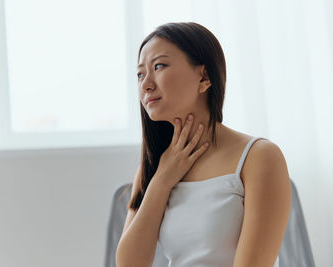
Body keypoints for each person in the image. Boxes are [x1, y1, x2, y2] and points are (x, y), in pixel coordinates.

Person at [116, 22, 291, 267]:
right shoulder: (156, 165)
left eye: (159, 66)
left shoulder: (260, 157)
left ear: (204, 77)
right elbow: (130, 264)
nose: (145, 84)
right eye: (140, 74)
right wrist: (163, 178)